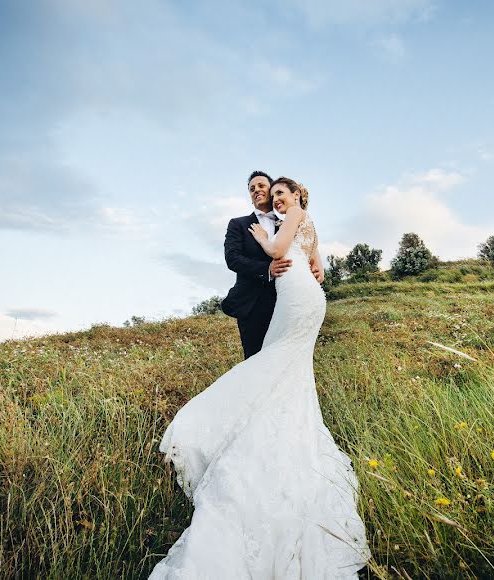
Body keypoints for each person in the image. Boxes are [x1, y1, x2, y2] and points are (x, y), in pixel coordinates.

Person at [150, 177, 371, 579]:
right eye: (259, 189)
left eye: (271, 190)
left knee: (275, 370)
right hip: (260, 303)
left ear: (284, 194)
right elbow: (236, 260)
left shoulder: (291, 216)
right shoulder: (241, 223)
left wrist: (301, 257)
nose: (266, 194)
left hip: (292, 300)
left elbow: (295, 250)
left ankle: (252, 433)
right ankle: (233, 431)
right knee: (265, 367)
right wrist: (270, 265)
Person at [221, 171, 324, 359]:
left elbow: (308, 249)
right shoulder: (238, 224)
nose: (256, 190)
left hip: (285, 301)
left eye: (261, 186)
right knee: (255, 361)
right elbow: (232, 258)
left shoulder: (289, 222)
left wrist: (316, 268)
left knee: (286, 358)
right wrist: (266, 270)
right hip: (252, 304)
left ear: (271, 190)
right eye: (251, 189)